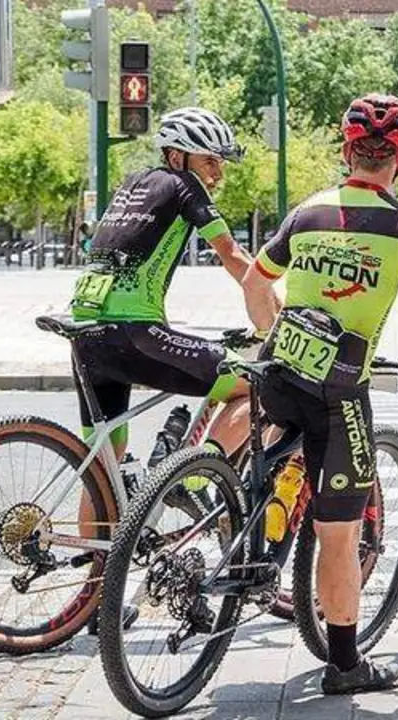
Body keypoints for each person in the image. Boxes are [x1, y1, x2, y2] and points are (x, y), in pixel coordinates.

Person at [242, 93, 398, 695]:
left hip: (280, 368)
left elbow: (257, 285)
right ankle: (344, 665)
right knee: (338, 534)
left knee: (260, 443)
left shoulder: (306, 213)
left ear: (346, 150)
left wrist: (275, 333)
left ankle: (228, 519)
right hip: (340, 393)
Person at [67, 107, 269, 474]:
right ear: (177, 157)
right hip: (133, 331)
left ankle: (100, 533)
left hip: (85, 332)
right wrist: (279, 318)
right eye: (210, 161)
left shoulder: (131, 184)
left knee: (104, 464)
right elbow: (234, 256)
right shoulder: (184, 185)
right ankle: (188, 479)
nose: (217, 174)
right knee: (259, 387)